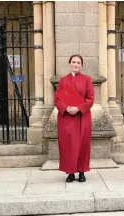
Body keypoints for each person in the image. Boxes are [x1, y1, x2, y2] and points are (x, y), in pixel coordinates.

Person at [54, 54, 94, 182]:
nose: (76, 64)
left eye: (78, 62)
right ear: (69, 63)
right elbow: (57, 99)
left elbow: (90, 99)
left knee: (83, 144)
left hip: (82, 117)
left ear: (81, 65)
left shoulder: (87, 79)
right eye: (73, 62)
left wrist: (79, 108)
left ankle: (82, 172)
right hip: (67, 118)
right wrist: (66, 108)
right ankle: (70, 172)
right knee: (68, 145)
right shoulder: (63, 80)